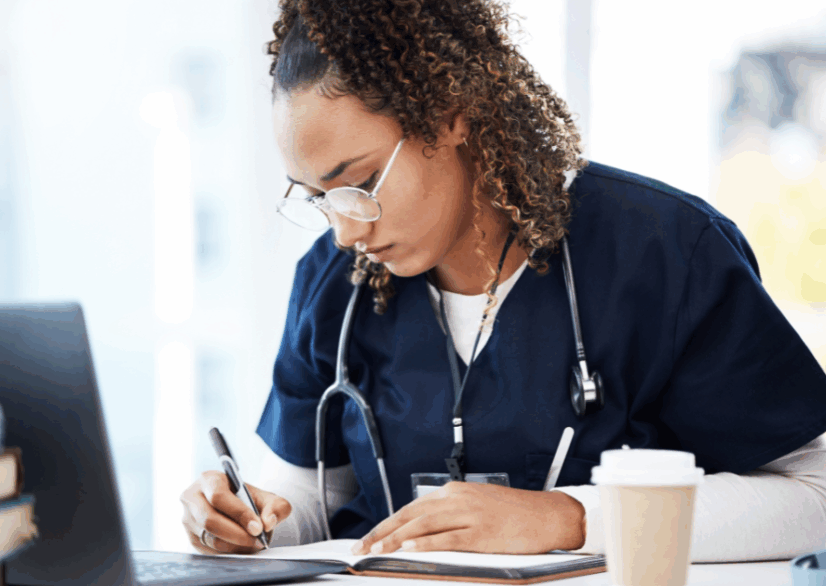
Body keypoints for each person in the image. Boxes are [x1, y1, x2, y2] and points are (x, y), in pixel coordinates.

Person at [180, 0, 826, 560]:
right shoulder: (333, 280)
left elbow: (815, 497)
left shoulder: (664, 252)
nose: (347, 231)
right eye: (320, 197)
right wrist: (247, 521)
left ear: (452, 116)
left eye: (360, 183)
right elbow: (310, 502)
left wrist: (569, 520)